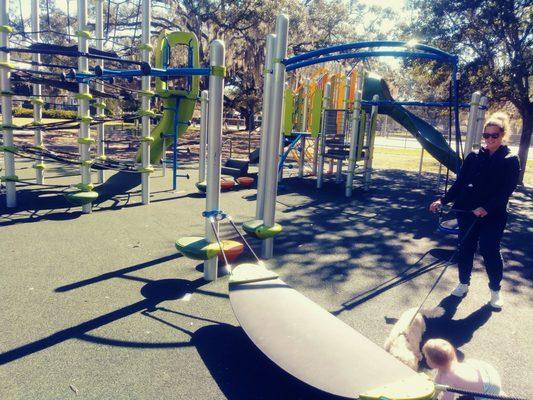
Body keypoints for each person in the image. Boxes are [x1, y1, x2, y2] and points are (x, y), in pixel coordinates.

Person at [429, 112, 520, 309]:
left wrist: (486, 208)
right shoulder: (474, 157)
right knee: (465, 248)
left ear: (503, 135)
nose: (489, 139)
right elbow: (460, 183)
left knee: (489, 249)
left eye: (494, 135)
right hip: (468, 212)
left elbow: (506, 190)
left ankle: (495, 290)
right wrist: (443, 200)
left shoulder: (510, 159)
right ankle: (463, 283)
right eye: (486, 135)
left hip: (493, 214)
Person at [422, 338, 502, 400]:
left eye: (426, 358)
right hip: (488, 373)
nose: (425, 359)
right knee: (469, 362)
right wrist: (433, 393)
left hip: (489, 390)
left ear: (435, 363)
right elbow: (437, 382)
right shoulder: (445, 368)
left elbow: (448, 398)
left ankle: (496, 396)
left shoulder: (449, 380)